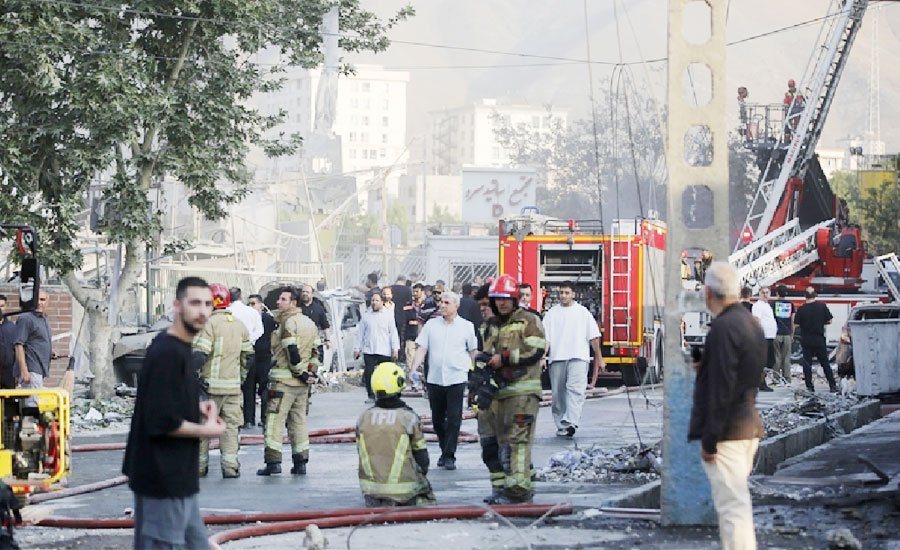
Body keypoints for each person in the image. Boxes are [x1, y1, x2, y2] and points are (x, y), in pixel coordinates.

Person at [122, 277, 227, 550]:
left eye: (208, 304)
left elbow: (161, 399)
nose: (202, 311)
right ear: (177, 305)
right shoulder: (169, 352)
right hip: (162, 479)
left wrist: (195, 406)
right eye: (195, 303)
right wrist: (209, 431)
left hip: (179, 479)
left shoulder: (176, 347)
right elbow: (160, 421)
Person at [688, 262, 765, 550]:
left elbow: (722, 390)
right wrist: (705, 366)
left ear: (708, 292)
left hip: (728, 434)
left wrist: (709, 440)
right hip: (747, 425)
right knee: (737, 505)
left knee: (733, 509)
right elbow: (742, 373)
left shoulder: (722, 328)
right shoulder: (750, 323)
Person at [483, 274, 546, 504]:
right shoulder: (491, 325)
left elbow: (536, 350)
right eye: (497, 299)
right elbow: (486, 354)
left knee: (518, 441)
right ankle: (505, 490)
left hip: (524, 393)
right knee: (500, 444)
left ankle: (518, 493)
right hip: (500, 394)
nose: (501, 303)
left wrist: (506, 358)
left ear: (515, 299)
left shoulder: (529, 320)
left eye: (506, 298)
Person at [410, 291, 478, 471]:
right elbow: (421, 348)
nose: (442, 306)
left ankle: (449, 455)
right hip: (435, 378)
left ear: (456, 306)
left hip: (457, 377)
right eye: (441, 302)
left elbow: (473, 351)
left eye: (447, 303)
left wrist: (478, 375)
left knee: (454, 418)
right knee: (438, 419)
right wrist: (414, 368)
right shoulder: (432, 325)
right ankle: (444, 449)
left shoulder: (466, 327)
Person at [257, 287, 321, 476]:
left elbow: (291, 350)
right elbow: (317, 353)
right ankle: (300, 462)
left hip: (283, 384)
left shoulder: (287, 323)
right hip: (302, 387)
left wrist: (300, 372)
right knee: (299, 422)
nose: (278, 302)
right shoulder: (310, 323)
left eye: (283, 299)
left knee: (274, 421)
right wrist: (311, 373)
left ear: (293, 303)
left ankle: (273, 462)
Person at [192, 283, 253, 478]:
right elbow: (249, 357)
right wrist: (240, 378)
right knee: (231, 428)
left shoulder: (208, 324)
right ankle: (230, 467)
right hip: (233, 388)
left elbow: (199, 355)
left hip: (210, 388)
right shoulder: (238, 324)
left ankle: (199, 468)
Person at [356, 362, 435, 507]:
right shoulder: (408, 418)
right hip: (405, 493)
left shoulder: (363, 418)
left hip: (371, 493)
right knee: (428, 500)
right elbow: (423, 460)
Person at [542, 281, 604, 438]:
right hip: (557, 358)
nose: (563, 295)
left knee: (576, 390)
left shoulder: (583, 313)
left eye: (566, 293)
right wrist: (543, 356)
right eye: (561, 292)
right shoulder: (551, 314)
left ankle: (571, 421)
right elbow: (546, 339)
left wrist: (600, 358)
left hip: (578, 357)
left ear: (573, 294)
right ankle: (561, 425)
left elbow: (594, 337)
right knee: (558, 394)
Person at [469, 282, 505, 501]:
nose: (483, 308)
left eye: (485, 304)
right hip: (486, 401)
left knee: (508, 449)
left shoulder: (509, 327)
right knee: (489, 448)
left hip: (505, 399)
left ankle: (516, 493)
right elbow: (483, 360)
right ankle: (498, 489)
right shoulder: (484, 328)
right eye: (480, 305)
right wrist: (474, 387)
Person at [354, 293, 400, 402]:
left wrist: (395, 349)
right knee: (369, 373)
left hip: (384, 350)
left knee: (384, 374)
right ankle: (371, 395)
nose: (374, 303)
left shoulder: (388, 316)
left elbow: (393, 333)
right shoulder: (366, 316)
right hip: (369, 350)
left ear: (381, 302)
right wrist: (357, 349)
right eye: (372, 300)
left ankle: (385, 394)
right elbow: (360, 334)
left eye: (376, 300)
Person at [14, 289, 55, 405]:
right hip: (31, 369)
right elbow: (18, 345)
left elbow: (36, 342)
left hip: (40, 369)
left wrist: (49, 353)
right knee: (33, 404)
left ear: (47, 302)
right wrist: (23, 370)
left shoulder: (44, 319)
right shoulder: (26, 318)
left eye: (42, 300)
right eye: (37, 299)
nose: (39, 303)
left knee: (37, 403)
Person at [793, 287, 837, 393]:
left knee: (807, 364)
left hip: (806, 339)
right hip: (819, 338)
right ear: (815, 295)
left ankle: (809, 386)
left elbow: (796, 323)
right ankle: (832, 385)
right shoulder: (822, 307)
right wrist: (821, 323)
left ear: (805, 296)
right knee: (825, 363)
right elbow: (829, 320)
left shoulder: (802, 309)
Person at [244, 294, 276, 428]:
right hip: (250, 357)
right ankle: (248, 419)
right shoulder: (247, 319)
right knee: (248, 389)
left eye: (253, 304)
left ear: (260, 305)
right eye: (249, 304)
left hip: (264, 358)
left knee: (264, 389)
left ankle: (264, 418)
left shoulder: (268, 319)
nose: (250, 307)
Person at [751, 287, 777, 393]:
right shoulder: (758, 306)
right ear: (759, 294)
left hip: (770, 336)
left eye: (767, 292)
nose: (765, 294)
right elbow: (756, 320)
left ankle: (761, 381)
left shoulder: (767, 305)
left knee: (770, 361)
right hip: (763, 337)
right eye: (763, 293)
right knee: (765, 361)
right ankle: (761, 383)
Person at [299, 284, 331, 365]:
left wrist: (328, 340)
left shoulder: (318, 309)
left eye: (307, 292)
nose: (305, 294)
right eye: (303, 292)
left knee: (315, 366)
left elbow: (325, 326)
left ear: (312, 294)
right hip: (299, 344)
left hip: (314, 344)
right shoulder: (296, 307)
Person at [772, 285, 795, 385]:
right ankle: (787, 379)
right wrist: (792, 334)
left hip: (776, 334)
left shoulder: (773, 304)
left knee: (776, 357)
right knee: (786, 357)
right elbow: (793, 321)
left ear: (777, 293)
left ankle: (776, 379)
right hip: (786, 334)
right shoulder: (790, 305)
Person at [0, 295, 17, 390]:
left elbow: (16, 350)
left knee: (9, 402)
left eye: (2, 306)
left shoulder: (12, 327)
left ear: (6, 306)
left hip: (9, 374)